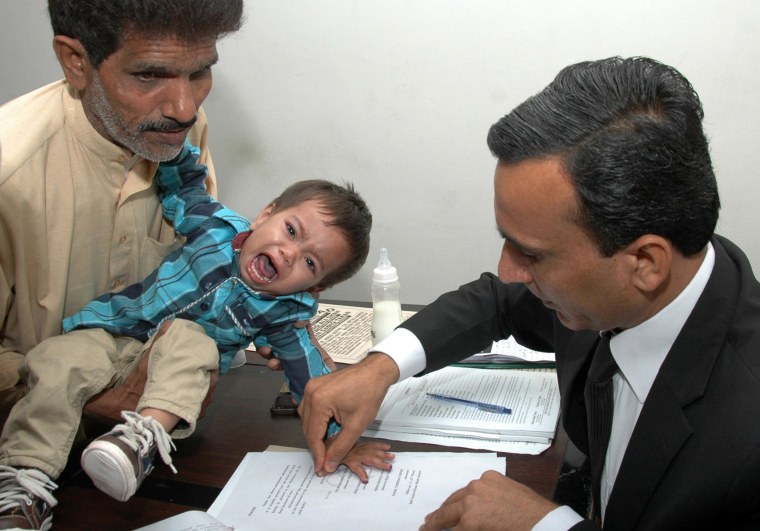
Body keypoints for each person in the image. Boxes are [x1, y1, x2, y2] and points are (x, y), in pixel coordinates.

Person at [297, 56, 760, 530]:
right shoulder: (616, 287)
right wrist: (381, 367)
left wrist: (547, 526)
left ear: (644, 264)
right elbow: (496, 302)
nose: (508, 270)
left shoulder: (745, 440)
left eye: (531, 254)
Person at [0, 142, 392, 529]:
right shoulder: (212, 226)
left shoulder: (282, 314)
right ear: (264, 214)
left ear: (315, 288)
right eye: (290, 230)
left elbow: (314, 383)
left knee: (191, 338)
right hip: (111, 333)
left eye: (310, 262)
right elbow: (185, 185)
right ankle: (23, 488)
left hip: (167, 381)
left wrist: (343, 440)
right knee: (57, 361)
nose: (289, 253)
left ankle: (140, 442)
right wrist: (171, 142)